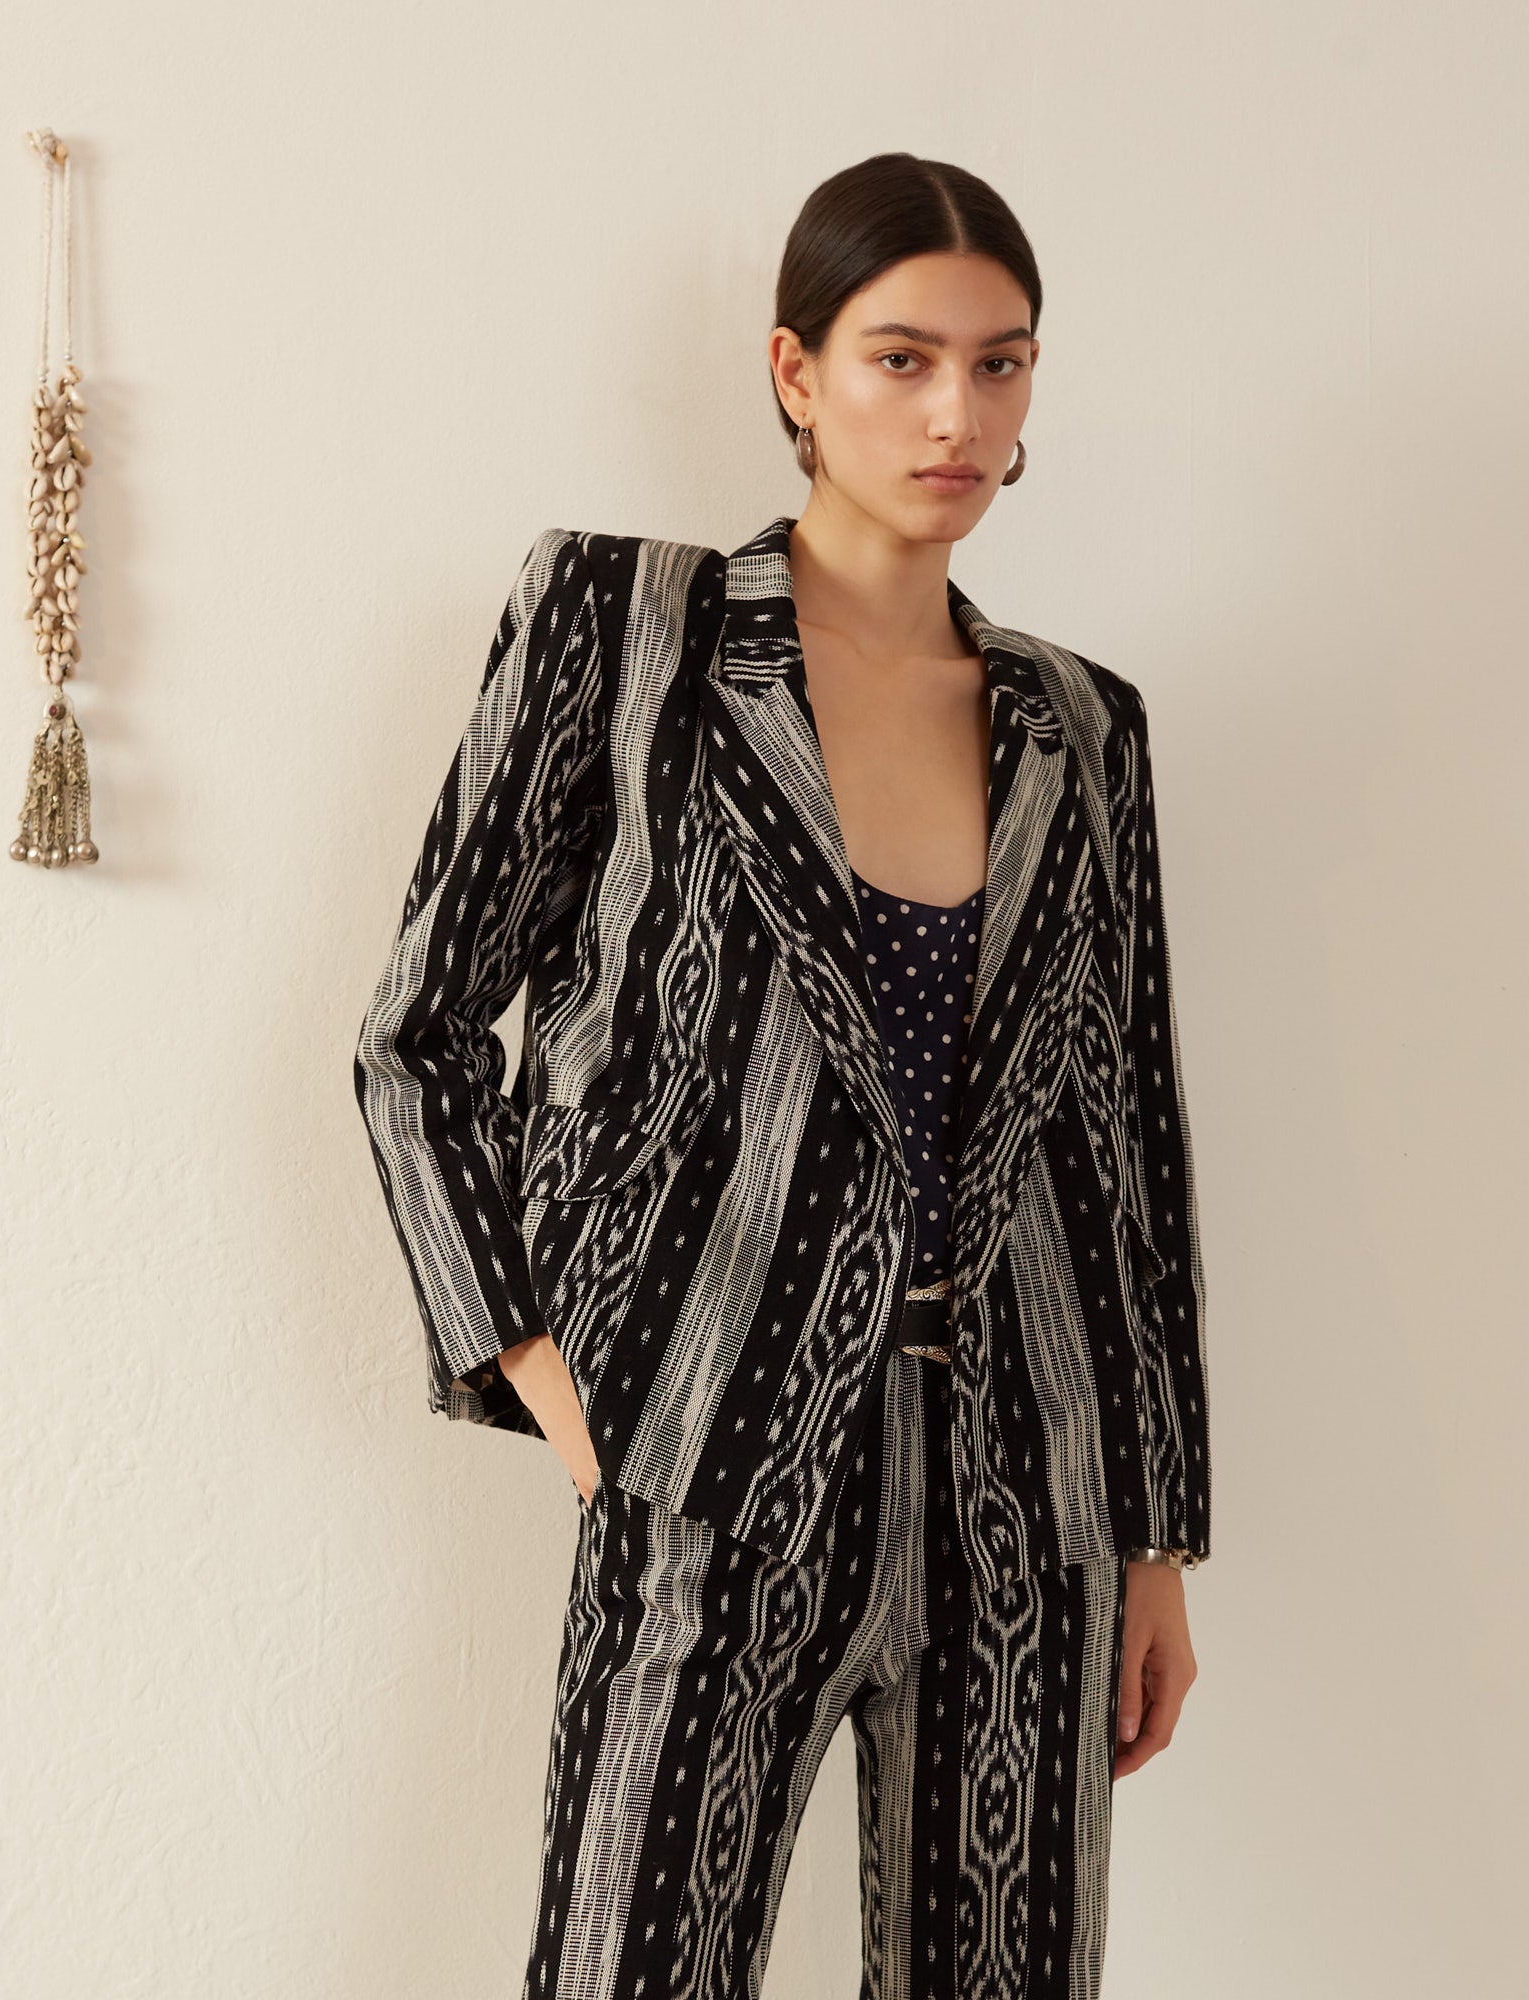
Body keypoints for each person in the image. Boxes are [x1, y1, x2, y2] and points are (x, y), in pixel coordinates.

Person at [353, 150, 1211, 1998]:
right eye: (902, 358)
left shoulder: (1083, 725)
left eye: (1001, 365)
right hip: (711, 1448)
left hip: (1028, 1487)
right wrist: (550, 1373)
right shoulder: (630, 632)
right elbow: (416, 1035)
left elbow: (1126, 1140)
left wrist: (1154, 1537)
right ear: (795, 372)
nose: (955, 412)